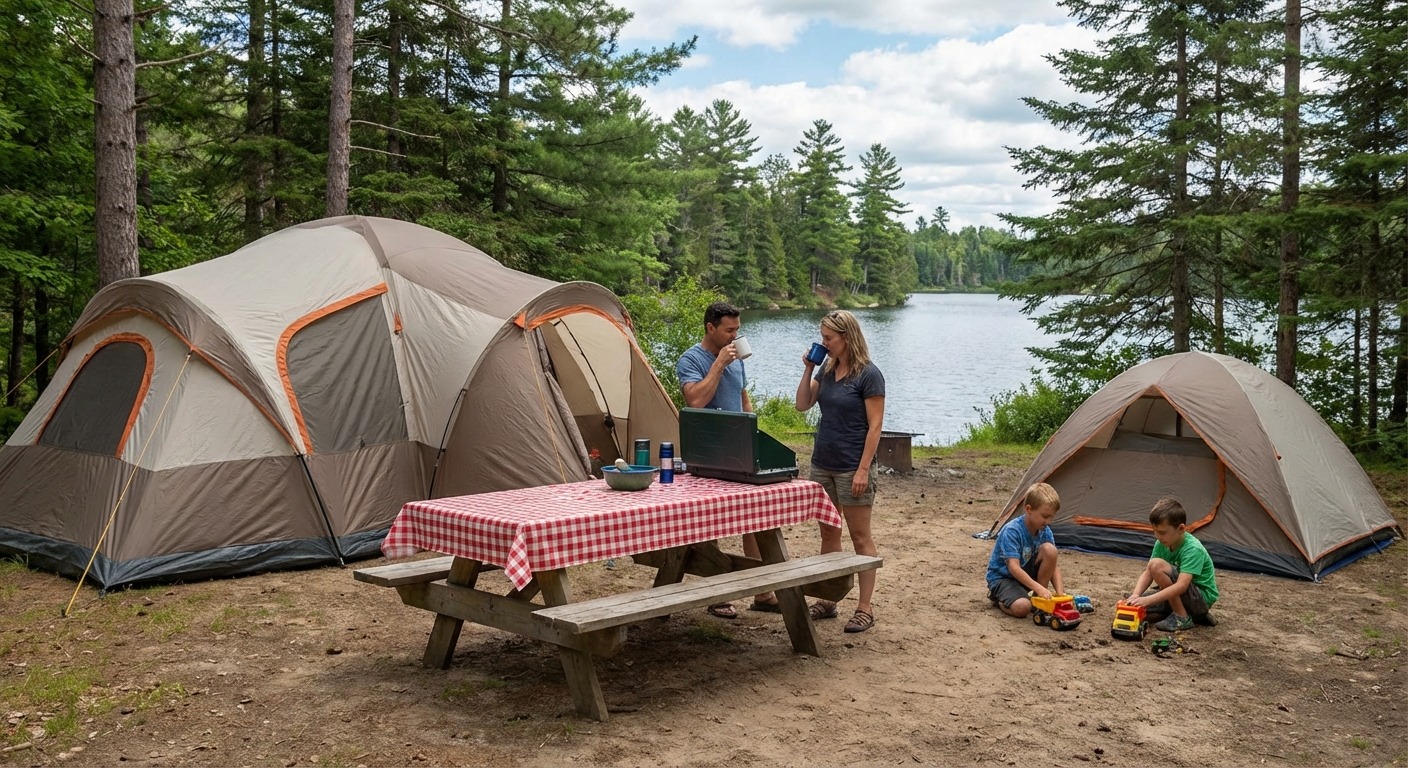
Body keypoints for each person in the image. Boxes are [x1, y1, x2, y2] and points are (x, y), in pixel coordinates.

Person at [675, 301, 773, 619]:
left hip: (738, 448)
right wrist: (718, 364)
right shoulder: (692, 359)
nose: (735, 335)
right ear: (711, 328)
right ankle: (717, 593)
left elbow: (742, 395)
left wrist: (752, 430)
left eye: (737, 330)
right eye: (729, 330)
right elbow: (696, 399)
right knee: (709, 522)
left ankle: (762, 591)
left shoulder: (735, 355)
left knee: (755, 516)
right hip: (707, 452)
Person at [794, 310, 884, 633]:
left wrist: (863, 470)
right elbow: (802, 404)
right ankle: (829, 599)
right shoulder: (828, 370)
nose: (824, 343)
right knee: (829, 533)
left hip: (852, 466)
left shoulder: (869, 375)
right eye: (823, 338)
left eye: (829, 338)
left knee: (860, 536)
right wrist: (808, 369)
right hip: (823, 464)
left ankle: (864, 607)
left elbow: (875, 428)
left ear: (847, 338)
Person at [1126, 497, 1220, 631]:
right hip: (1180, 596)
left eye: (1162, 532)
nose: (1157, 536)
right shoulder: (1162, 543)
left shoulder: (1192, 549)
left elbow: (1181, 586)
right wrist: (1136, 595)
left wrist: (1147, 600)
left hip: (1200, 599)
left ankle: (1182, 617)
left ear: (1181, 528)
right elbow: (1148, 572)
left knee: (1156, 566)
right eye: (1155, 532)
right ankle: (1196, 617)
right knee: (1132, 603)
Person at [985, 482, 1065, 619]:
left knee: (1050, 550)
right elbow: (1013, 568)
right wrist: (1038, 588)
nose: (1048, 521)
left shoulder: (1045, 531)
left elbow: (1053, 565)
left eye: (1051, 517)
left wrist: (1061, 594)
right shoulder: (1012, 531)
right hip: (1004, 578)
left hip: (1026, 576)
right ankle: (1000, 600)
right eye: (1045, 516)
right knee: (1023, 608)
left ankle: (1037, 600)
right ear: (1028, 509)